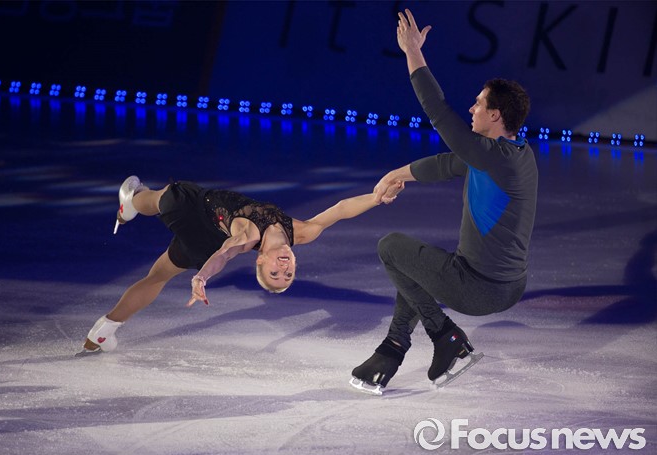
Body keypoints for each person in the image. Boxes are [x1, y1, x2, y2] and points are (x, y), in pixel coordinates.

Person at [350, 9, 537, 392]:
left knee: (391, 247)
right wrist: (396, 174)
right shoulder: (513, 152)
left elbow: (437, 110)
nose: (471, 108)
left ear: (495, 115)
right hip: (507, 285)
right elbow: (448, 163)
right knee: (415, 267)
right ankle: (392, 349)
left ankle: (446, 336)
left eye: (478, 104)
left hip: (479, 287)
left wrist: (412, 52)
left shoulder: (492, 156)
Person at [79, 175, 399, 355]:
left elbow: (225, 253)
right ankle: (104, 331)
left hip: (194, 212)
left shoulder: (248, 236)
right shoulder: (303, 232)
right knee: (157, 276)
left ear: (260, 259)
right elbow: (340, 209)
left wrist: (202, 277)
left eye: (274, 273)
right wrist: (378, 198)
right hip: (205, 241)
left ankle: (130, 203)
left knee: (168, 198)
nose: (283, 268)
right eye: (288, 274)